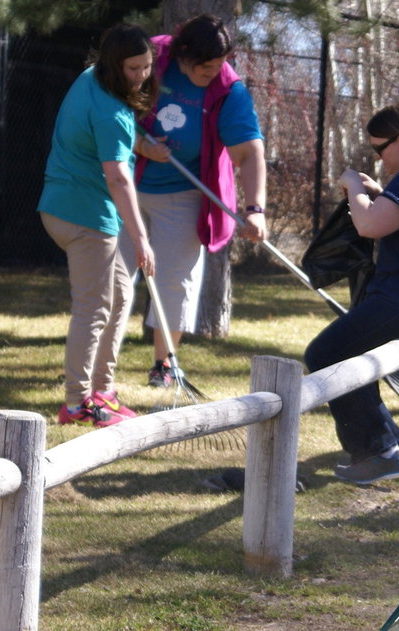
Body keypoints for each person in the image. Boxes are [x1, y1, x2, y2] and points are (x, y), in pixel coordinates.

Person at [303, 99, 399, 485]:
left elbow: (370, 225)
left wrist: (355, 187)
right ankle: (385, 445)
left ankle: (379, 451)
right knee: (342, 349)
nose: (379, 159)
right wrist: (377, 191)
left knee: (325, 353)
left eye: (380, 149)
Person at [127, 13, 267, 387]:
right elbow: (109, 104)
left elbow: (249, 152)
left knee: (175, 281)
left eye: (219, 65)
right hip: (124, 184)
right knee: (113, 277)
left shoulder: (228, 90)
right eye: (205, 67)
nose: (213, 73)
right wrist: (140, 144)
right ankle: (97, 367)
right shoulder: (152, 56)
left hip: (184, 193)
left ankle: (164, 366)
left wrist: (255, 209)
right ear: (182, 53)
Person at [39, 23, 157, 427]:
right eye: (133, 68)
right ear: (114, 64)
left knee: (120, 295)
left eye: (146, 66)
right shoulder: (112, 112)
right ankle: (77, 403)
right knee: (93, 308)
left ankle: (103, 390)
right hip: (85, 217)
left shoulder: (90, 78)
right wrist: (141, 238)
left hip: (61, 207)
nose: (141, 75)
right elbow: (119, 178)